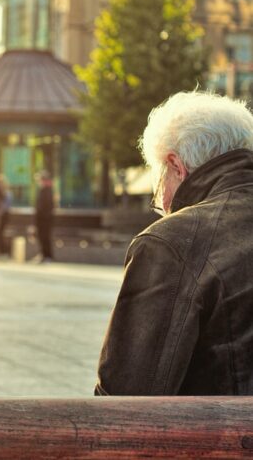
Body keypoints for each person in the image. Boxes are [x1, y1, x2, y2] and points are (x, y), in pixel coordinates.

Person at [96, 91, 253, 396]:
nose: (163, 204)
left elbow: (127, 397)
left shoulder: (172, 243)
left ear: (176, 166)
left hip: (220, 441)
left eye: (158, 185)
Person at [35, 170, 54, 263]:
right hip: (42, 217)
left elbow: (46, 206)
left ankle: (47, 256)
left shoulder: (47, 190)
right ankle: (44, 254)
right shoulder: (44, 190)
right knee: (42, 236)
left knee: (45, 236)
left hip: (45, 218)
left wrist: (43, 215)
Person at [0, 173, 12, 255]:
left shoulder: (6, 193)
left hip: (4, 215)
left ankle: (3, 250)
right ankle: (0, 249)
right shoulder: (1, 192)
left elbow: (5, 205)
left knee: (1, 232)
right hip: (2, 214)